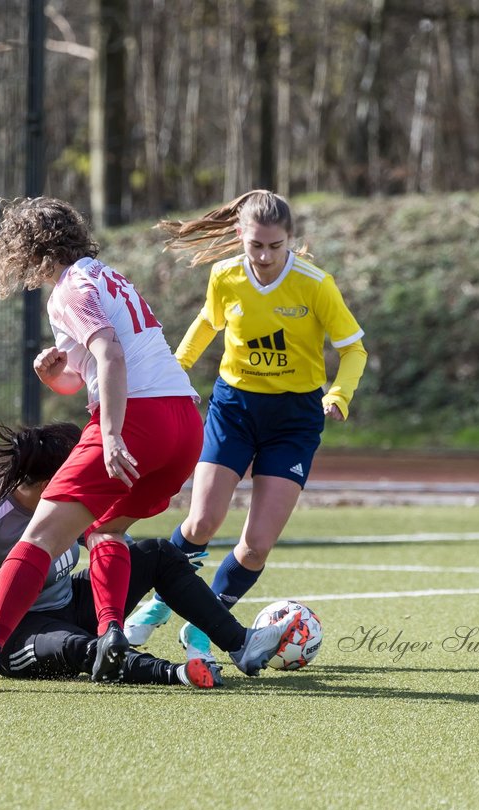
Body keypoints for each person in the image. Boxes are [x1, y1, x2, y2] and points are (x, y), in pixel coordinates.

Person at [0, 196, 264, 689]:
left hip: (140, 418)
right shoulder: (107, 276)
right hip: (183, 423)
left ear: (28, 251)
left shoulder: (69, 290)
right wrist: (57, 377)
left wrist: (111, 435)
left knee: (39, 539)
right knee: (107, 532)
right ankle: (112, 631)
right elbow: (93, 367)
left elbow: (110, 354)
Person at [124, 189, 368, 661]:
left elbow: (354, 348)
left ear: (290, 241)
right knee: (201, 521)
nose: (264, 256)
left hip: (295, 420)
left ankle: (203, 627)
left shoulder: (315, 284)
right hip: (234, 408)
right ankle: (158, 605)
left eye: (275, 247)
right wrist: (174, 374)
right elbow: (206, 324)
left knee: (255, 547)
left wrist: (339, 393)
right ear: (241, 236)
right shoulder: (226, 275)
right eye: (255, 244)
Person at [0, 420, 297, 689]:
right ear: (50, 480)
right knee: (82, 647)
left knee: (160, 554)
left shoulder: (66, 503)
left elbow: (105, 544)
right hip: (17, 634)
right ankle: (174, 673)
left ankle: (239, 643)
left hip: (67, 601)